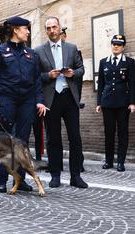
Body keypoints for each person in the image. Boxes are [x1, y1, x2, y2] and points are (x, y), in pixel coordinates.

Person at [0, 16, 47, 193]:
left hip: (26, 101)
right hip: (5, 100)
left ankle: (20, 180)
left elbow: (36, 81)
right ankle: (1, 179)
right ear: (15, 30)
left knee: (22, 141)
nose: (28, 31)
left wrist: (40, 101)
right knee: (3, 141)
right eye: (25, 28)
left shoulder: (31, 54)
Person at [35, 16, 87, 188]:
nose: (52, 31)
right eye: (48, 28)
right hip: (51, 99)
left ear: (59, 28)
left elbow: (81, 69)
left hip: (69, 97)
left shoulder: (71, 48)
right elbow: (35, 77)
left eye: (54, 27)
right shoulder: (39, 51)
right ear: (46, 31)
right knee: (53, 139)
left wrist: (73, 73)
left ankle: (75, 176)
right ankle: (55, 175)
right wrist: (48, 75)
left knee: (75, 138)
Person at [96, 34, 135, 172]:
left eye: (119, 44)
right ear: (111, 45)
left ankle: (120, 162)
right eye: (114, 44)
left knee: (123, 133)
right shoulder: (103, 62)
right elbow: (100, 83)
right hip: (107, 103)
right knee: (109, 133)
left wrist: (132, 102)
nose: (116, 46)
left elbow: (132, 83)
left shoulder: (129, 62)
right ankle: (109, 161)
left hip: (123, 103)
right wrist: (99, 102)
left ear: (123, 46)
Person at [61, 27, 85, 172]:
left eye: (62, 36)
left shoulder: (73, 51)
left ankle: (78, 163)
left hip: (72, 96)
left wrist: (78, 97)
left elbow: (79, 77)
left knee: (75, 134)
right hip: (56, 95)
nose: (60, 38)